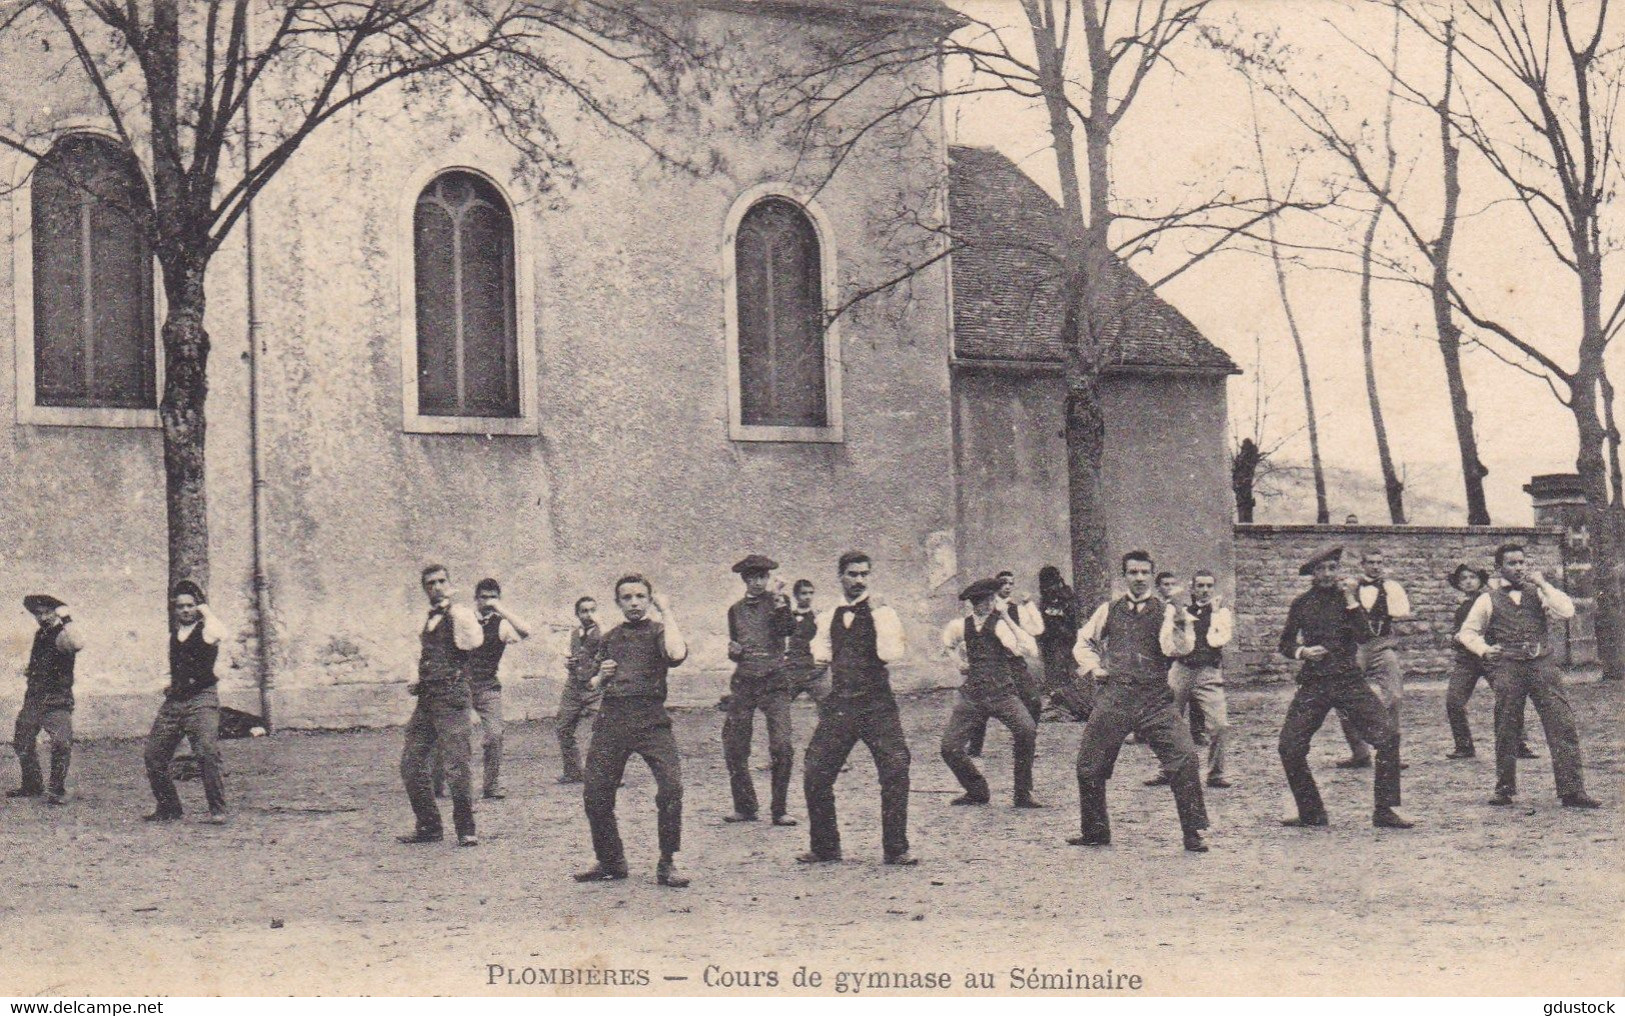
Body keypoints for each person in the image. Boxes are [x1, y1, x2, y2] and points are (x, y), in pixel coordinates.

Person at [1070, 551, 1210, 852]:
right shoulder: (1108, 610)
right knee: (1089, 763)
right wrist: (1094, 668)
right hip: (1116, 696)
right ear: (1124, 576)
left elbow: (1180, 649)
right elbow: (1083, 642)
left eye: (1145, 572)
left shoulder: (1167, 611)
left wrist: (1181, 620)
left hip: (1155, 697)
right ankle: (1095, 831)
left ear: (1152, 575)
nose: (1139, 578)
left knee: (1184, 757)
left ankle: (1193, 832)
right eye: (1133, 572)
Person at [1276, 547, 1413, 830]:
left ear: (1339, 571)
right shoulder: (1301, 603)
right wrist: (1302, 652)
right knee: (1289, 746)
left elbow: (1365, 636)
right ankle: (1311, 811)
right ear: (1312, 575)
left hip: (1349, 681)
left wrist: (1351, 600)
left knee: (1387, 737)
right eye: (1321, 570)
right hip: (1314, 683)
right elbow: (1285, 644)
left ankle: (1385, 810)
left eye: (1332, 568)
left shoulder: (1350, 602)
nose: (1328, 574)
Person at [1457, 544, 1600, 809]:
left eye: (1522, 562)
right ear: (1500, 568)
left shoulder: (1539, 592)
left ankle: (1572, 790)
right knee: (1506, 724)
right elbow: (1467, 632)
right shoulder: (1487, 598)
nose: (1519, 567)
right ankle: (1504, 788)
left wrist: (1544, 583)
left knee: (1561, 722)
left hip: (1542, 665)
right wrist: (1485, 650)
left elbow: (1567, 611)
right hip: (1509, 666)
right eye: (1512, 563)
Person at [799, 551, 915, 866]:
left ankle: (896, 848)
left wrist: (880, 617)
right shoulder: (828, 615)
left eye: (864, 574)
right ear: (840, 576)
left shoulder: (884, 613)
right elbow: (820, 654)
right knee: (815, 771)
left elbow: (891, 652)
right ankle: (825, 847)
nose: (859, 580)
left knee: (895, 770)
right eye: (852, 574)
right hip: (840, 704)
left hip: (877, 704)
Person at [575, 575, 691, 887]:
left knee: (671, 787)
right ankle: (610, 860)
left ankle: (668, 861)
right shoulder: (610, 637)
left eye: (641, 596)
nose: (634, 602)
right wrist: (601, 675)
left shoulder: (659, 631)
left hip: (651, 717)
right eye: (627, 598)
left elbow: (678, 655)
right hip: (613, 717)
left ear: (650, 599)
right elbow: (588, 683)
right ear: (618, 603)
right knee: (595, 791)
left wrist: (666, 612)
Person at [397, 565, 482, 847]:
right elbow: (423, 654)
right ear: (424, 589)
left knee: (456, 765)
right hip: (427, 700)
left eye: (441, 581)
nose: (436, 587)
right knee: (411, 762)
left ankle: (466, 828)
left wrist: (460, 612)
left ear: (450, 584)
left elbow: (473, 642)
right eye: (430, 583)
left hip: (452, 697)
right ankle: (429, 825)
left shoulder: (459, 615)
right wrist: (417, 679)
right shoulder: (426, 619)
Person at [940, 577, 1043, 808]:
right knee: (949, 747)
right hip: (973, 695)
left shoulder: (1000, 624)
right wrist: (958, 663)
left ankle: (1023, 793)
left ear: (994, 600)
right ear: (972, 603)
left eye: (989, 600)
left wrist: (1007, 617)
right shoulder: (960, 625)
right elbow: (947, 643)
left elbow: (1030, 650)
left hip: (1001, 693)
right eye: (979, 601)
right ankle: (976, 790)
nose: (985, 605)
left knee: (1026, 730)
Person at [432, 578, 529, 800]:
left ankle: (491, 786)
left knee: (495, 734)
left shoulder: (501, 623)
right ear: (475, 599)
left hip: (487, 687)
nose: (487, 601)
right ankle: (437, 784)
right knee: (448, 735)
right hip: (460, 685)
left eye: (492, 597)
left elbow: (525, 631)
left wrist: (500, 609)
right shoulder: (465, 619)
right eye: (483, 597)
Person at [144, 580, 230, 824]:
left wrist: (206, 610)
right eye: (180, 606)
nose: (185, 610)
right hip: (175, 702)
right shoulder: (172, 636)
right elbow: (168, 667)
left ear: (198, 607)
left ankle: (217, 809)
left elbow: (223, 633)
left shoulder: (207, 630)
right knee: (153, 755)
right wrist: (166, 685)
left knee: (206, 751)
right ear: (175, 609)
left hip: (202, 698)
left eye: (190, 605)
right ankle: (169, 808)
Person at [722, 555, 799, 826]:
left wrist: (780, 600)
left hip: (775, 681)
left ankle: (779, 809)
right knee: (734, 743)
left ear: (768, 579)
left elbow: (788, 629)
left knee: (782, 744)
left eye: (762, 577)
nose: (758, 582)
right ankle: (745, 806)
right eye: (753, 577)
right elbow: (735, 646)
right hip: (744, 681)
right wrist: (734, 651)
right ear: (745, 579)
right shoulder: (735, 610)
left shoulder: (779, 602)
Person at [1147, 570, 1232, 789]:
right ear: (1192, 589)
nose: (1205, 590)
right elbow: (1170, 646)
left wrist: (1213, 613)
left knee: (1220, 724)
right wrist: (1177, 617)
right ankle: (1166, 769)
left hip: (1208, 672)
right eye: (1200, 586)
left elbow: (1218, 639)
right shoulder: (1179, 612)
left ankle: (1215, 773)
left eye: (1209, 586)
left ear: (1214, 589)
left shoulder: (1221, 614)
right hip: (1181, 670)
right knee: (1167, 719)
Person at [1444, 564, 1534, 761]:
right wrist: (1455, 638)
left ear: (1480, 580)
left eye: (1472, 577)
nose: (1468, 581)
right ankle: (1464, 746)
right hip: (1467, 660)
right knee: (1454, 701)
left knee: (1508, 697)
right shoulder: (1461, 608)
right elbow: (1459, 634)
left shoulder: (1491, 600)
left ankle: (1518, 744)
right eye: (1463, 579)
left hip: (1491, 657)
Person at [1335, 548, 1412, 769]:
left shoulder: (1391, 588)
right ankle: (1359, 753)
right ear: (1362, 564)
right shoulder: (1349, 587)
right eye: (1371, 562)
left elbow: (1401, 613)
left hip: (1382, 646)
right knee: (1344, 696)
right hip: (1356, 647)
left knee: (1395, 695)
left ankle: (1391, 754)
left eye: (1379, 562)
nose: (1376, 566)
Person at [10, 594, 84, 805]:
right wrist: (31, 670)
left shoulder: (63, 634)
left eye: (47, 612)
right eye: (38, 613)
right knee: (22, 740)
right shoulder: (40, 634)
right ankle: (32, 785)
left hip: (56, 701)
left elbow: (78, 644)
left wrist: (67, 618)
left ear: (56, 612)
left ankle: (56, 790)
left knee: (61, 743)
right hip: (34, 699)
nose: (42, 617)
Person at [967, 569, 1045, 756]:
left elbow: (1037, 629)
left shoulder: (1016, 609)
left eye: (1011, 583)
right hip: (991, 664)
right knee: (981, 704)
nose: (1008, 587)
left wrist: (1029, 605)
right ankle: (974, 748)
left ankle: (1026, 744)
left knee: (1033, 701)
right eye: (1003, 583)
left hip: (1014, 663)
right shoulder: (983, 607)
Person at [556, 596, 603, 785]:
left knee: (604, 730)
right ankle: (573, 771)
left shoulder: (604, 633)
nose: (589, 614)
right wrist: (568, 663)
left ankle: (606, 774)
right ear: (577, 614)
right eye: (584, 611)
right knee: (563, 728)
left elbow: (610, 653)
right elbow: (568, 656)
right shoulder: (573, 633)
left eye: (593, 610)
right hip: (573, 686)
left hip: (596, 688)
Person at [1036, 566, 1090, 721]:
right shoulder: (1045, 599)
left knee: (1065, 675)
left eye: (1050, 583)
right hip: (1050, 643)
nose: (1048, 588)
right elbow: (1042, 620)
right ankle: (1061, 707)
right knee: (1053, 675)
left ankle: (1076, 709)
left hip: (1065, 642)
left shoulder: (1067, 597)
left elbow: (1071, 621)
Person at [784, 580, 829, 702]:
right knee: (780, 705)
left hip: (814, 669)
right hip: (793, 668)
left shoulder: (819, 617)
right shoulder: (788, 617)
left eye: (811, 593)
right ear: (796, 595)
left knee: (828, 707)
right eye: (804, 593)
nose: (808, 597)